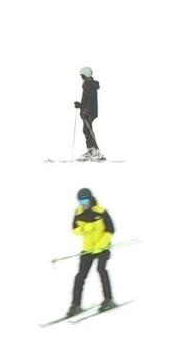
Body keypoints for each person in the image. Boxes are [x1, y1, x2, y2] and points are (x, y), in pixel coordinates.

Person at [67, 188, 116, 317]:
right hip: (88, 249)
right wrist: (84, 228)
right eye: (81, 201)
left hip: (103, 247)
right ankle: (75, 305)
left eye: (85, 200)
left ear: (91, 198)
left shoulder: (101, 211)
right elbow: (75, 230)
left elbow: (111, 230)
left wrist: (101, 245)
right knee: (80, 276)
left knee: (101, 269)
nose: (83, 203)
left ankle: (108, 299)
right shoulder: (78, 212)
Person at [74, 67, 104, 161]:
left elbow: (90, 100)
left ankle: (95, 151)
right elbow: (87, 100)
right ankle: (93, 151)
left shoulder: (89, 85)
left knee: (87, 130)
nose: (81, 77)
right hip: (90, 111)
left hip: (89, 112)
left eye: (82, 75)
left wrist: (86, 110)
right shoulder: (90, 84)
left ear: (85, 75)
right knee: (87, 130)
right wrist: (80, 105)